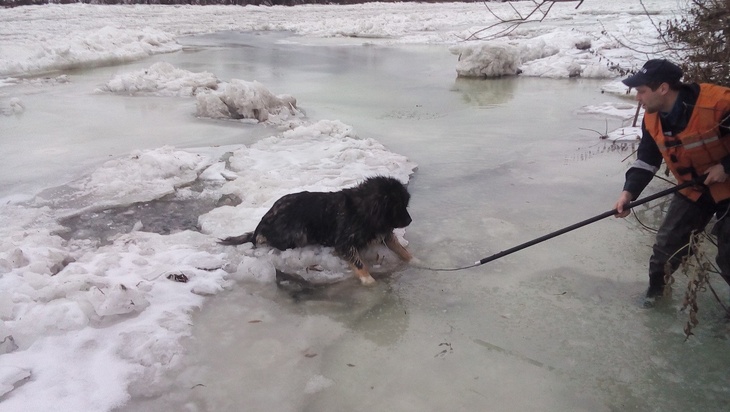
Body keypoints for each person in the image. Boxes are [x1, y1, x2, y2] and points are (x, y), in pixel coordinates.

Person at [613, 59, 730, 307]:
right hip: (694, 189)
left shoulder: (719, 104)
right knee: (663, 254)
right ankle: (654, 299)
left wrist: (725, 167)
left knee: (729, 258)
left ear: (663, 88)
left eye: (642, 91)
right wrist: (628, 193)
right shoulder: (652, 118)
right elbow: (646, 159)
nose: (638, 99)